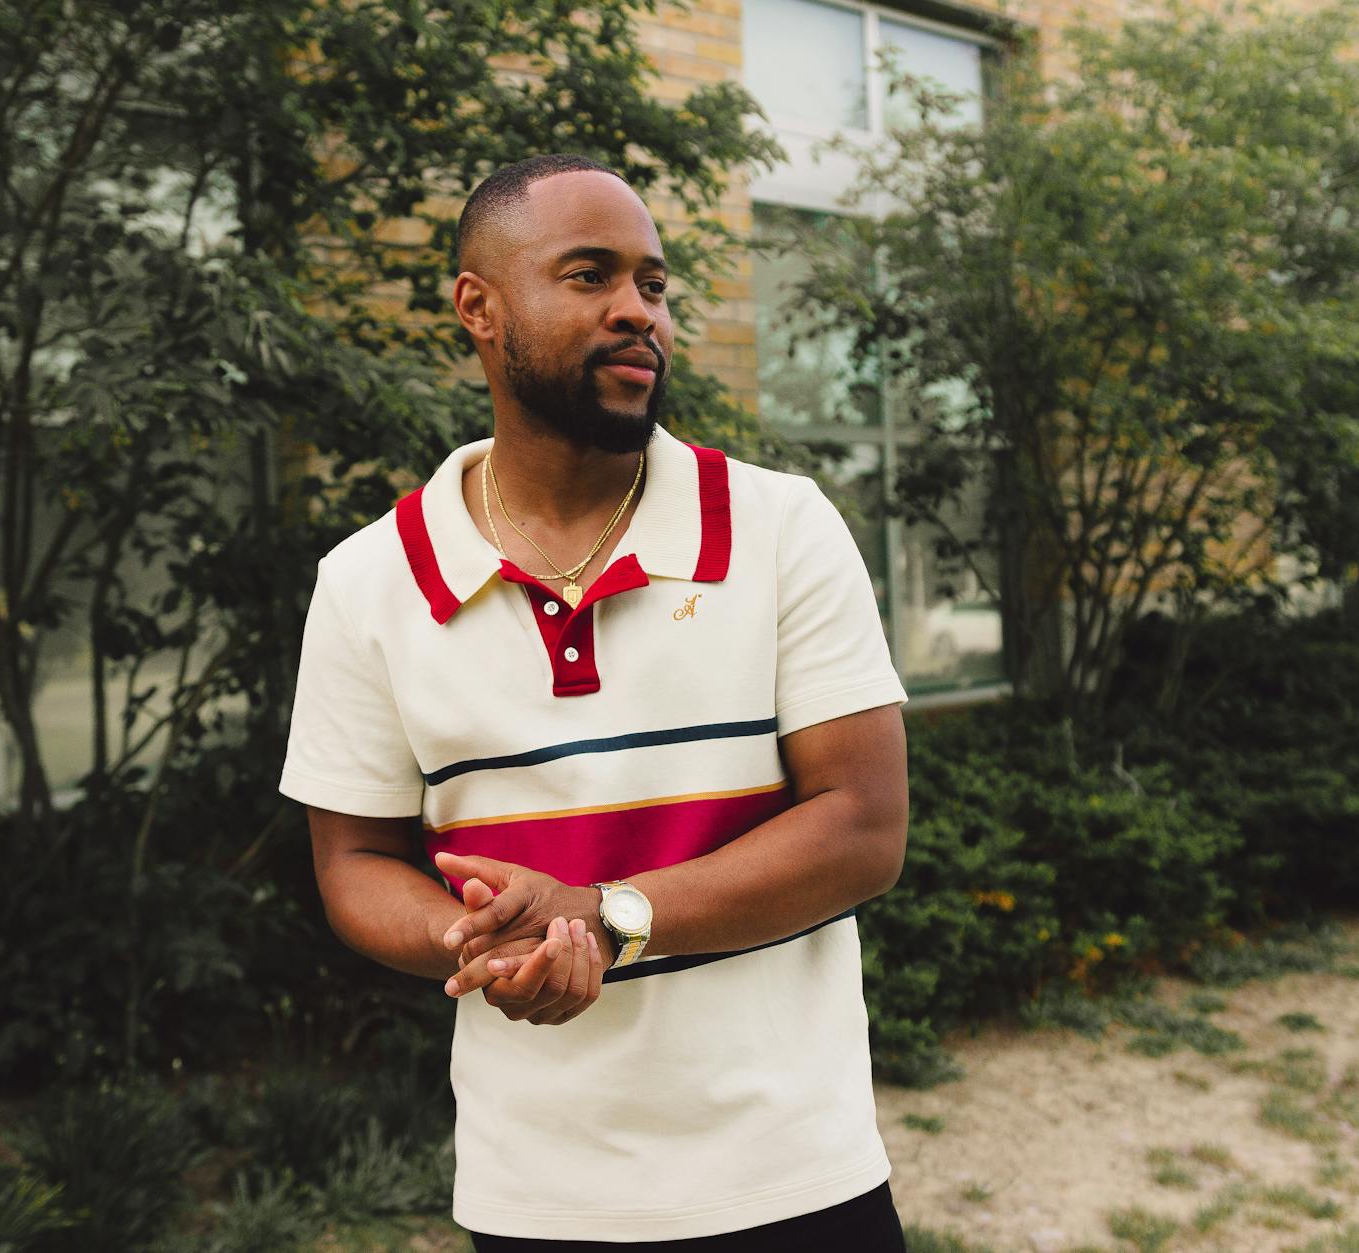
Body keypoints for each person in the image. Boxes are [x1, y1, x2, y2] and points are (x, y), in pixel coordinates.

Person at [279, 151, 911, 1250]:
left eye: (653, 285)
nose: (638, 311)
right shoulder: (368, 581)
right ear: (478, 307)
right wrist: (476, 940)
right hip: (537, 1194)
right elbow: (353, 863)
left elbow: (862, 828)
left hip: (795, 1174)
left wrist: (609, 916)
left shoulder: (780, 528)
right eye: (590, 276)